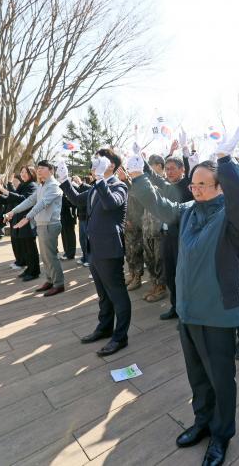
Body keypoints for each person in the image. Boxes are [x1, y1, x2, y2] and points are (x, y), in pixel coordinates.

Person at [128, 129, 239, 466]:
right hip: (188, 309)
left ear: (220, 187)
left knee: (221, 378)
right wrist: (138, 177)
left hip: (217, 313)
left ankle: (221, 434)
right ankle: (203, 421)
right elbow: (163, 206)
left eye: (202, 184)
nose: (195, 189)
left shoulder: (231, 216)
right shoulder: (188, 210)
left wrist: (228, 163)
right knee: (197, 374)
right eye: (193, 184)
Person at [59, 149, 130, 357]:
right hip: (94, 249)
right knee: (103, 294)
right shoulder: (94, 188)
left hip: (109, 249)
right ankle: (104, 328)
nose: (94, 164)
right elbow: (75, 199)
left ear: (111, 165)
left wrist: (99, 180)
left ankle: (120, 337)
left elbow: (110, 203)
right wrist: (64, 180)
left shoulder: (119, 186)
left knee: (117, 294)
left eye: (99, 160)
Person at [141, 138, 194, 320]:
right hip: (165, 236)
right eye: (167, 169)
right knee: (169, 273)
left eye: (173, 169)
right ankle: (175, 307)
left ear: (182, 170)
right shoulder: (165, 185)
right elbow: (153, 177)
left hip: (181, 237)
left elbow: (190, 172)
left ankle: (186, 309)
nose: (169, 172)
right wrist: (141, 160)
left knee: (182, 275)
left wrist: (185, 152)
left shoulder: (187, 186)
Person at [5, 160, 65, 297]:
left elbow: (42, 204)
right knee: (45, 256)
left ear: (51, 170)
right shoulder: (42, 186)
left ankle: (58, 284)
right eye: (38, 168)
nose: (38, 170)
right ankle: (50, 280)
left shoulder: (54, 186)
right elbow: (30, 201)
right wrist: (13, 211)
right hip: (42, 224)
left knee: (51, 257)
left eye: (42, 168)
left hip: (50, 225)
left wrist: (27, 217)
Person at [0, 167, 40, 281]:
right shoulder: (23, 185)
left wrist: (4, 190)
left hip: (27, 220)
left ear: (32, 174)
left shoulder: (33, 186)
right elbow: (13, 198)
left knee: (30, 248)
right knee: (25, 247)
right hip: (19, 219)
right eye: (21, 172)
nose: (22, 174)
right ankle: (29, 269)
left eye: (25, 172)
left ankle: (34, 271)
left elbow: (24, 199)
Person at [141, 154, 168, 302]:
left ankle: (161, 288)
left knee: (159, 260)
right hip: (147, 227)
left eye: (152, 165)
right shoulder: (148, 182)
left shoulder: (165, 182)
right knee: (149, 259)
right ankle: (155, 285)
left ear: (159, 166)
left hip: (159, 229)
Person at [124, 183, 145, 291]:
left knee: (136, 253)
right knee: (129, 253)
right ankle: (132, 275)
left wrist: (133, 221)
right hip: (127, 227)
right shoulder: (126, 186)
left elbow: (140, 208)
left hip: (136, 226)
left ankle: (137, 278)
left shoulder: (138, 186)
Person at [73, 175, 93, 267]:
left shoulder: (89, 187)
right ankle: (84, 257)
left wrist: (80, 184)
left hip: (86, 218)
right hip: (81, 217)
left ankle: (89, 259)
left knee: (87, 239)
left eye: (76, 180)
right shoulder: (78, 188)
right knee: (82, 239)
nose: (75, 181)